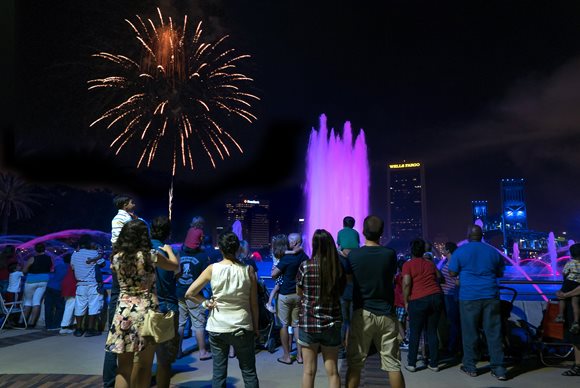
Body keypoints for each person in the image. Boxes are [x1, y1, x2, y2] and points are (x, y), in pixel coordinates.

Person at [105, 219, 179, 388]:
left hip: (123, 312)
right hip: (146, 312)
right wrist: (169, 249)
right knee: (145, 365)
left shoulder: (116, 257)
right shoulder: (150, 256)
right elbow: (174, 266)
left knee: (123, 368)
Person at [185, 231, 259, 388]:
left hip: (217, 327)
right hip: (242, 326)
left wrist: (206, 303)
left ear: (221, 249)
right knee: (249, 372)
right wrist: (256, 328)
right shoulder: (248, 270)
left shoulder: (212, 269)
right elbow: (254, 304)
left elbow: (190, 293)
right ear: (238, 248)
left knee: (219, 374)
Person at [345, 215, 405, 388]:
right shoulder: (389, 254)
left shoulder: (354, 255)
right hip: (386, 313)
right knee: (393, 365)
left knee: (355, 364)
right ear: (382, 233)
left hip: (362, 314)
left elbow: (349, 280)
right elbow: (391, 275)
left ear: (362, 231)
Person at [448, 224, 508, 381]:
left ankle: (470, 366)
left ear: (468, 235)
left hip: (468, 297)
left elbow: (452, 272)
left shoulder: (460, 251)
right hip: (490, 295)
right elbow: (500, 272)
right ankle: (499, 368)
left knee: (470, 332)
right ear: (482, 235)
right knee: (494, 332)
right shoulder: (492, 251)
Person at [296, 229, 346, 388]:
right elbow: (341, 292)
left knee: (308, 371)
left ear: (314, 245)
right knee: (332, 371)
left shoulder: (305, 266)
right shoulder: (337, 268)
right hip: (331, 323)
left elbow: (299, 292)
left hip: (309, 323)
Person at [103, 194, 137, 388]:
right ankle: (115, 380)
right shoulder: (121, 218)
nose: (134, 204)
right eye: (131, 202)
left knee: (113, 338)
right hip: (123, 260)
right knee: (117, 337)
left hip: (120, 260)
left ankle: (110, 381)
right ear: (125, 204)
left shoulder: (125, 218)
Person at [402, 238, 444, 372]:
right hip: (436, 297)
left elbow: (407, 283)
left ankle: (412, 363)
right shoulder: (430, 263)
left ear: (411, 251)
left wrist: (406, 301)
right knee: (432, 331)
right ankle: (434, 364)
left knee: (415, 332)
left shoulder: (408, 265)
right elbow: (440, 277)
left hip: (418, 299)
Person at [148, 215, 181, 388]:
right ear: (168, 233)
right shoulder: (170, 252)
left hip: (145, 307)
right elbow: (177, 273)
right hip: (167, 305)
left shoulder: (143, 250)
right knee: (164, 360)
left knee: (143, 358)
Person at [272, 232, 309, 365]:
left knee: (284, 325)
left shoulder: (286, 258)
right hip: (299, 294)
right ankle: (300, 356)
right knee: (297, 325)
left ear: (294, 243)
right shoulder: (305, 257)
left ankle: (287, 356)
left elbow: (274, 274)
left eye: (289, 241)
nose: (287, 244)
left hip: (285, 294)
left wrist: (275, 268)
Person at [176, 240, 212, 361]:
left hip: (180, 292)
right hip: (194, 294)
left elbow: (175, 273)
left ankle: (178, 351)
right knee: (198, 323)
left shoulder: (179, 254)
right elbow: (206, 277)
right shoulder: (201, 257)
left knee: (180, 323)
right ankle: (202, 352)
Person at [71, 235, 104, 337]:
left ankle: (78, 329)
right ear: (90, 243)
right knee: (93, 306)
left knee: (79, 307)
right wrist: (99, 253)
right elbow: (102, 264)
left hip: (80, 284)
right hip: (92, 284)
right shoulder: (94, 253)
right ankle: (90, 329)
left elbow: (72, 267)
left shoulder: (74, 254)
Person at [22, 242, 53, 328]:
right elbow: (51, 269)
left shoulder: (32, 258)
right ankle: (31, 323)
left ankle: (22, 321)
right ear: (44, 249)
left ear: (35, 250)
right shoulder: (49, 258)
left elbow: (24, 270)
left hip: (31, 281)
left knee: (28, 301)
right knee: (37, 301)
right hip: (44, 281)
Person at [440, 241, 461, 355]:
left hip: (451, 296)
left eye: (444, 248)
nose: (442, 250)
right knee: (452, 322)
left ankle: (453, 347)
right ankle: (452, 345)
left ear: (448, 250)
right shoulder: (449, 262)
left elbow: (458, 281)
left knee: (453, 322)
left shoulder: (454, 263)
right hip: (447, 295)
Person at [555, 243, 580, 334]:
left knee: (561, 297)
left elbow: (564, 273)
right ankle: (576, 321)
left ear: (571, 254)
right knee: (575, 303)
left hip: (569, 283)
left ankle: (561, 315)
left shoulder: (570, 263)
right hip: (578, 285)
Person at [556, 282, 580, 376]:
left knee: (577, 336)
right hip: (571, 305)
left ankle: (578, 366)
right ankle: (578, 365)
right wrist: (561, 293)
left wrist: (565, 295)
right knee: (576, 337)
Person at [44, 254, 68, 330]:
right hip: (58, 288)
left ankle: (48, 325)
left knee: (48, 307)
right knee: (60, 307)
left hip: (49, 286)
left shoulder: (58, 266)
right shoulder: (70, 268)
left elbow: (52, 273)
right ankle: (56, 325)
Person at [59, 253, 77, 335]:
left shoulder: (67, 266)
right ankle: (64, 326)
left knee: (70, 305)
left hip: (67, 285)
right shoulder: (75, 264)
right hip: (73, 285)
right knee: (70, 305)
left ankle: (69, 325)